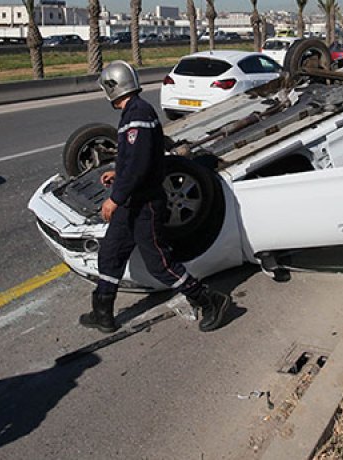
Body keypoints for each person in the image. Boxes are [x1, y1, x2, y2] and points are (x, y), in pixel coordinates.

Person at [80, 60, 231, 334]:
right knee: (111, 253)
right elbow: (140, 157)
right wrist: (117, 172)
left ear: (114, 87)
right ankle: (102, 312)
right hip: (131, 202)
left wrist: (115, 197)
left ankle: (209, 300)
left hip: (144, 204)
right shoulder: (133, 113)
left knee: (159, 264)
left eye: (106, 87)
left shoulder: (138, 114)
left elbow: (139, 165)